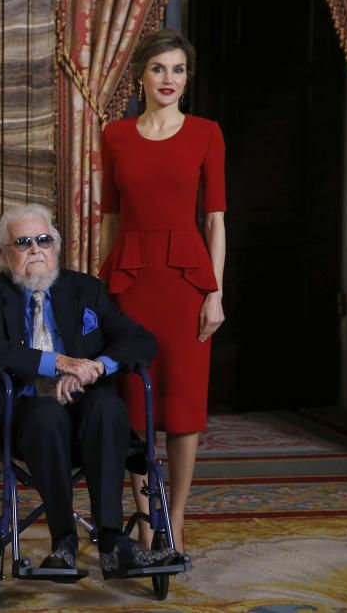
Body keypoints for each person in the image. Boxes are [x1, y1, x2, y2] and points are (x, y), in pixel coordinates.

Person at [0, 204, 176, 574]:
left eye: (43, 240)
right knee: (45, 415)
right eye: (22, 242)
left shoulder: (86, 289)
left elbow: (139, 339)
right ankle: (63, 541)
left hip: (87, 418)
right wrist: (57, 363)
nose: (35, 250)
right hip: (24, 420)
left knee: (108, 407)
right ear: (3, 255)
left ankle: (112, 542)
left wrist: (95, 367)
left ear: (56, 248)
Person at [99, 28, 226, 551]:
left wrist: (215, 294)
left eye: (178, 69)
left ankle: (176, 521)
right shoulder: (115, 136)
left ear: (186, 77)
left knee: (182, 405)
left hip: (187, 284)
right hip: (129, 281)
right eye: (158, 69)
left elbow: (216, 220)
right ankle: (147, 520)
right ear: (141, 77)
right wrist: (99, 290)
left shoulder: (206, 133)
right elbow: (109, 218)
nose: (168, 79)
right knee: (134, 405)